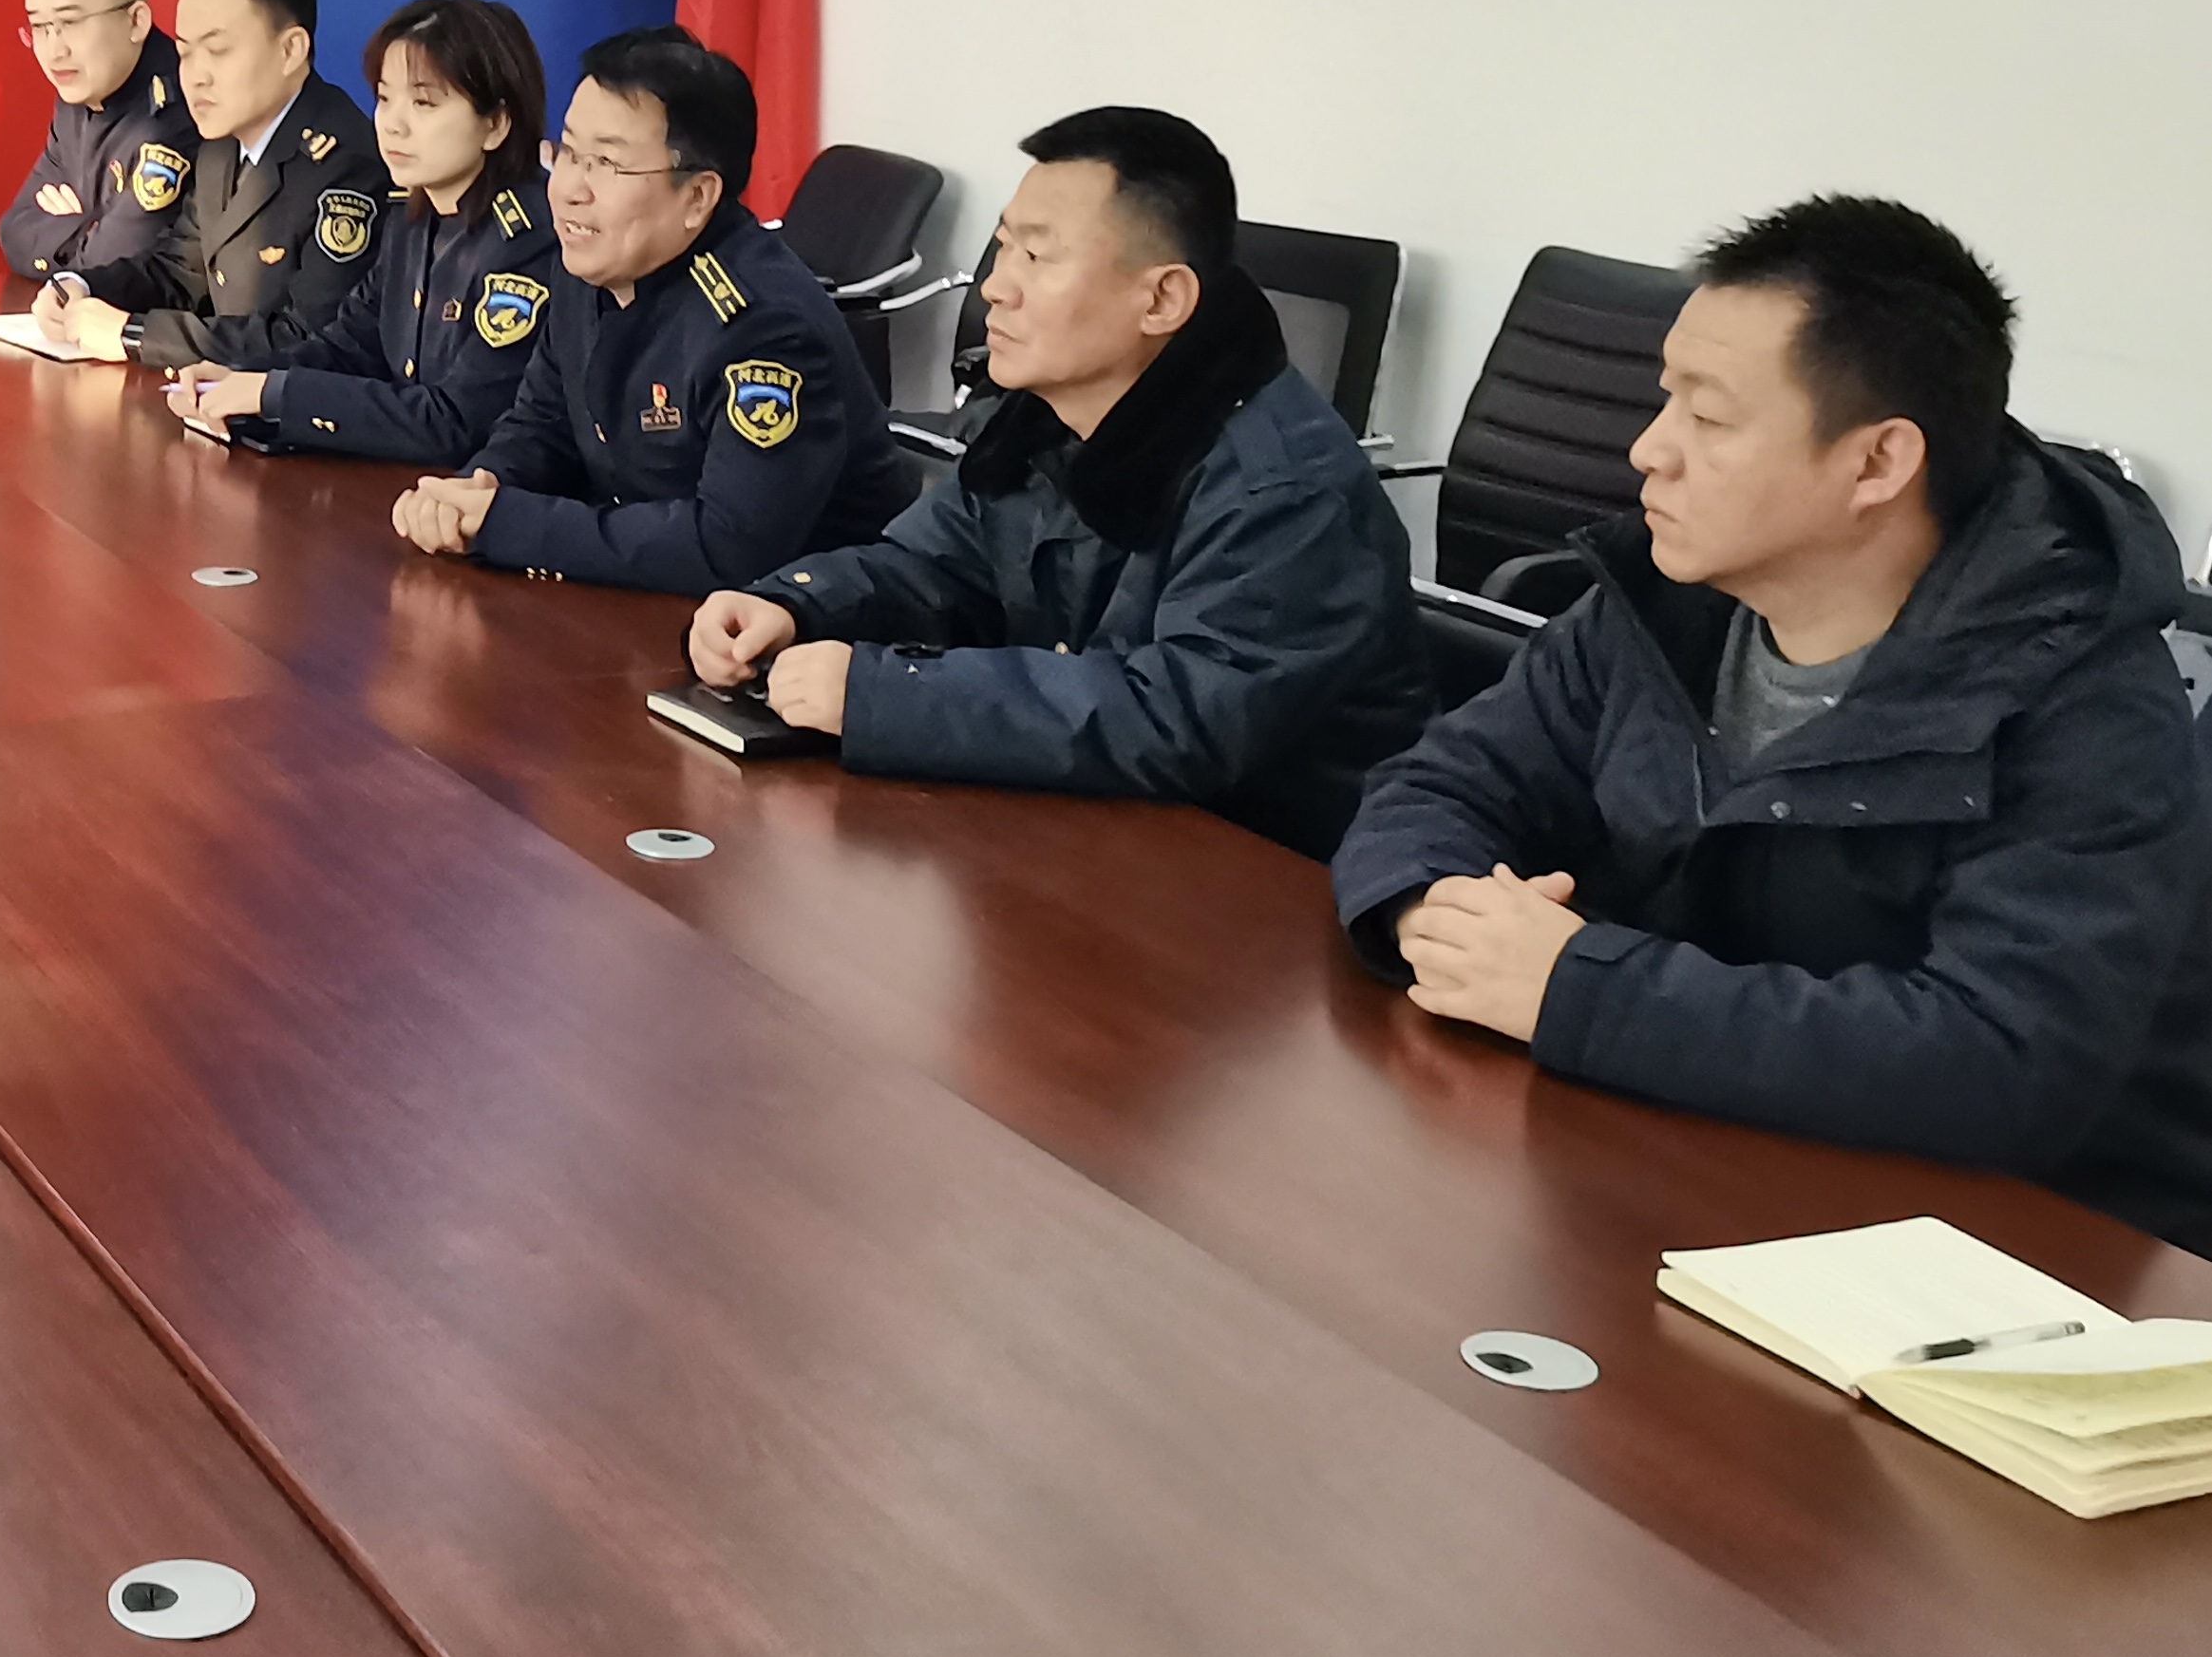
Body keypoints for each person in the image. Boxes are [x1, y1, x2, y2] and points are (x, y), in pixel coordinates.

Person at [1336, 196, 2212, 1252]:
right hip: (1681, 1159)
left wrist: (1578, 989)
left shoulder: (2085, 704)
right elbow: (1435, 784)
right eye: (1665, 400)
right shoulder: (1661, 604)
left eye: (1707, 420)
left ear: (1875, 463)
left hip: (2001, 1255)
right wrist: (1433, 909)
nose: (1647, 450)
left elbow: (2000, 1060)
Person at [684, 108, 1428, 856]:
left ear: (1161, 300)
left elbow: (1174, 721)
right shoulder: (1042, 415)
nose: (995, 287)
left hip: (1262, 875)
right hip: (1081, 834)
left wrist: (883, 693)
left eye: (1037, 257)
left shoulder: (1287, 491)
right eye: (1004, 245)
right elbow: (934, 569)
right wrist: (795, 605)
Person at [391, 26, 913, 593]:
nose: (568, 190)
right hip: (642, 594)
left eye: (606, 164)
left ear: (697, 197)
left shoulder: (765, 326)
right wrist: (475, 490)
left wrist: (504, 523)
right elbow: (544, 424)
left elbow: (728, 547)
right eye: (568, 153)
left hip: (802, 623)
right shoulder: (589, 264)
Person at [163, 0, 560, 467]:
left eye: (424, 103)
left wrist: (274, 393)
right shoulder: (412, 217)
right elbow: (348, 346)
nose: (392, 124)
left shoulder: (528, 241)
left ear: (495, 124)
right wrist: (233, 377)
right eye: (385, 99)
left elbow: (456, 423)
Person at [33, 0, 388, 367]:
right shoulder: (223, 142)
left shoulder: (345, 164)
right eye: (185, 53)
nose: (195, 77)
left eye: (217, 51)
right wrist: (79, 287)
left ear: (290, 50)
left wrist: (135, 335)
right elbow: (179, 271)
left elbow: (310, 339)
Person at [0, 0, 183, 275]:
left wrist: (71, 232)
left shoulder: (175, 115)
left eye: (70, 23)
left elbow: (115, 266)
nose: (55, 51)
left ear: (136, 21)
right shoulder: (78, 97)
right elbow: (14, 231)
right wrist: (90, 229)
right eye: (39, 27)